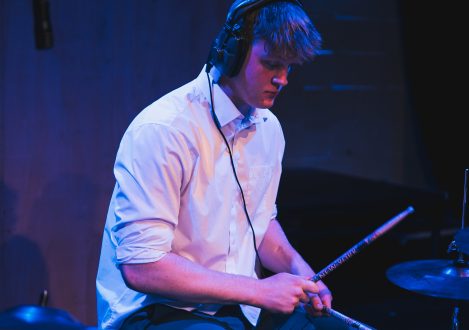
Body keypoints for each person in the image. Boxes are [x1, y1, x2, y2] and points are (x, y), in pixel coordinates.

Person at [96, 1, 353, 329]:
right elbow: (142, 266)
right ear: (231, 52)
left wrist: (300, 270)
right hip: (156, 311)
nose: (283, 79)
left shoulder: (269, 129)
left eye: (290, 68)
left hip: (235, 305)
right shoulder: (164, 130)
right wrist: (258, 291)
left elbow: (259, 224)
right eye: (272, 64)